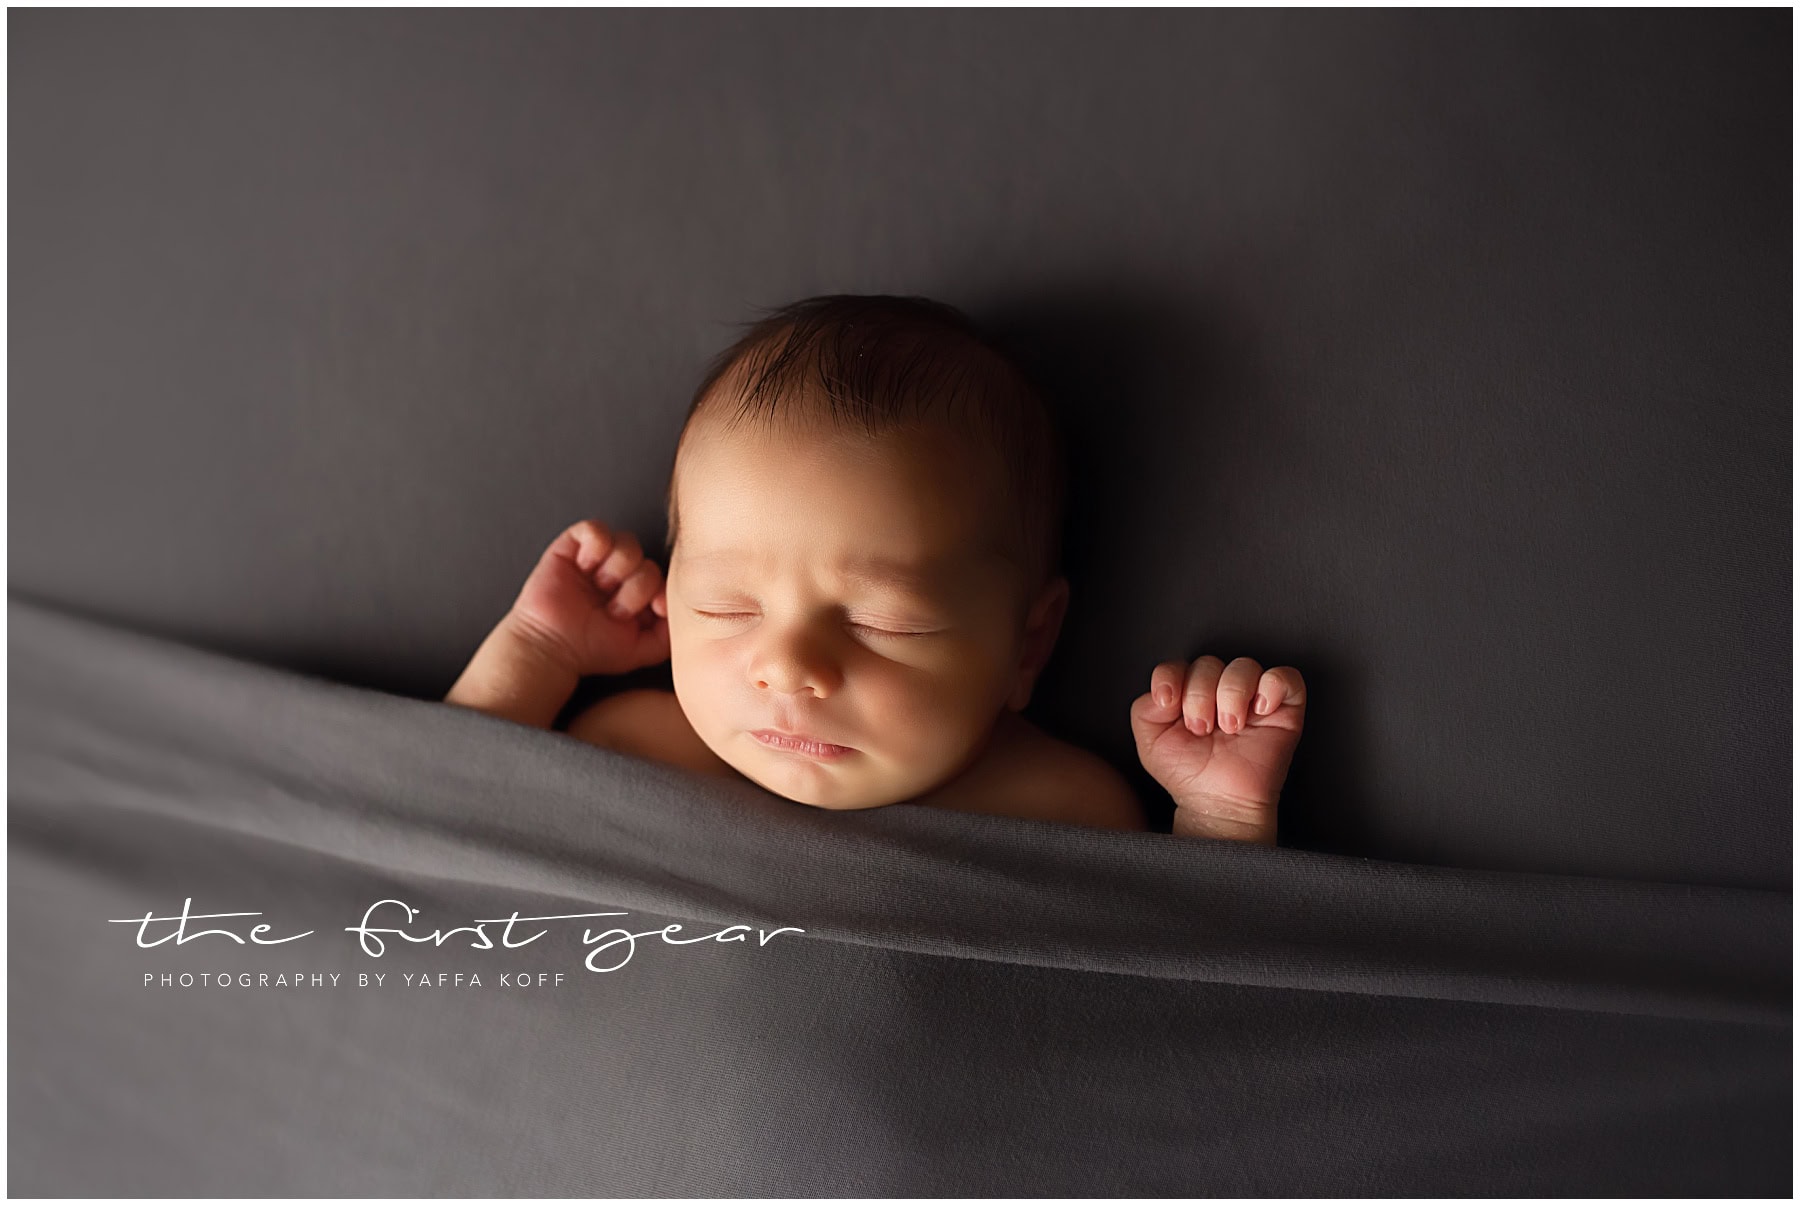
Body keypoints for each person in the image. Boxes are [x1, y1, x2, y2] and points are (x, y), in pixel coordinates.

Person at [447, 294, 1305, 843]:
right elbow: (437, 828)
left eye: (882, 620)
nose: (785, 666)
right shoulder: (634, 745)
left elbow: (1176, 1027)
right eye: (726, 607)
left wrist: (1221, 817)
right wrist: (537, 651)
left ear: (1028, 646)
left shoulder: (1061, 812)